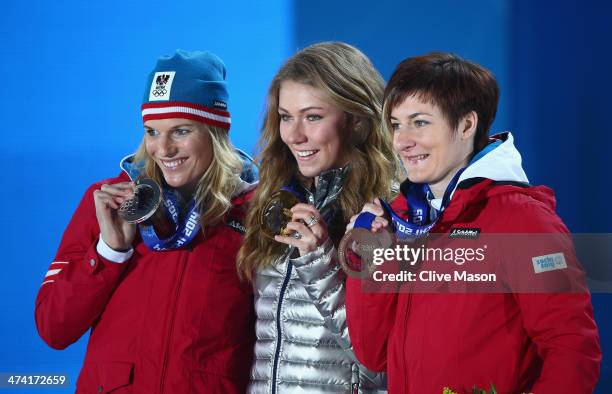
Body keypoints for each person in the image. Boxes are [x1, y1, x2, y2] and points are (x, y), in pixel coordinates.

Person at [344, 52, 602, 393]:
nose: (402, 141)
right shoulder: (404, 217)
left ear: (467, 125)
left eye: (420, 122)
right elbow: (374, 354)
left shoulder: (522, 220)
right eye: (395, 124)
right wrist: (370, 263)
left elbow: (573, 351)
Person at [35, 50, 256, 393]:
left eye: (180, 130)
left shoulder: (255, 212)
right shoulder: (109, 201)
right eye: (152, 131)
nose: (163, 149)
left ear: (215, 132)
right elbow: (54, 329)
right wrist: (109, 252)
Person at [237, 42, 396, 393]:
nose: (294, 135)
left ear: (356, 121)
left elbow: (384, 366)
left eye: (313, 116)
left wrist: (319, 262)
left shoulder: (393, 214)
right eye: (285, 117)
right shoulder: (272, 200)